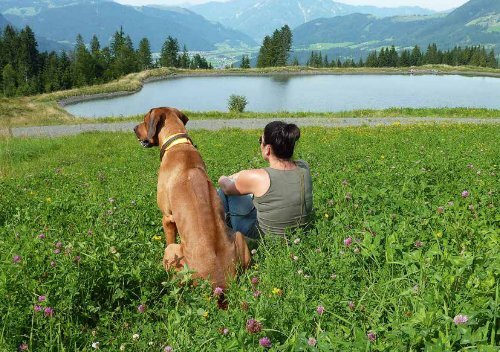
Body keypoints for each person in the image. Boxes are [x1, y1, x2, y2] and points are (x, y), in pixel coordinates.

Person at [217, 121, 313, 239]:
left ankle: (221, 230)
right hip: (299, 234)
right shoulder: (304, 166)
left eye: (260, 141)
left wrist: (222, 177)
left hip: (264, 237)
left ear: (267, 149)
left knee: (225, 189)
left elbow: (226, 187)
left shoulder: (260, 178)